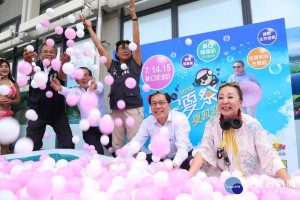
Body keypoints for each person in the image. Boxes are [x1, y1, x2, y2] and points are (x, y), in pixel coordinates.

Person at [189, 82, 291, 185]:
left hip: (250, 185)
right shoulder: (211, 124)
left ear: (240, 102)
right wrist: (188, 178)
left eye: (230, 97)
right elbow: (203, 151)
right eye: (220, 98)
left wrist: (288, 181)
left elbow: (268, 154)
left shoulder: (252, 124)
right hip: (222, 185)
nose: (224, 101)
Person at [80, 0, 144, 152]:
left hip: (133, 109)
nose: (125, 50)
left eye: (128, 48)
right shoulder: (112, 65)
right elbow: (99, 47)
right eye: (121, 48)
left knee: (135, 144)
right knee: (117, 145)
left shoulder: (135, 63)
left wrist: (134, 17)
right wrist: (90, 28)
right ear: (116, 52)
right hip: (116, 110)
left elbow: (137, 41)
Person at [117, 90, 193, 170]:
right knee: (141, 162)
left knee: (191, 163)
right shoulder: (148, 122)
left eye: (161, 103)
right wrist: (116, 162)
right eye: (154, 103)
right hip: (162, 158)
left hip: (183, 157)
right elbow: (135, 143)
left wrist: (173, 165)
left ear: (169, 105)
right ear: (150, 107)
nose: (158, 106)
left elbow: (182, 149)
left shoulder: (180, 118)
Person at [50, 67, 114, 156]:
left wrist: (93, 87)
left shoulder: (98, 85)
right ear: (77, 80)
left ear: (92, 78)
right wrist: (60, 87)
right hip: (88, 129)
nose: (84, 78)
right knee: (97, 154)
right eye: (80, 76)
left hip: (104, 126)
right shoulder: (77, 90)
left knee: (115, 150)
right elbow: (68, 91)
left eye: (86, 75)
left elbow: (99, 88)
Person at [23, 42, 74, 151]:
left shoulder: (59, 67)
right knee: (32, 146)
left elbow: (61, 76)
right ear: (40, 54)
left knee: (69, 143)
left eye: (52, 52)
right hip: (37, 113)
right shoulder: (35, 66)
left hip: (58, 113)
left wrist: (64, 64)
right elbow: (29, 71)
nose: (49, 54)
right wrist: (27, 60)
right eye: (45, 51)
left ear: (56, 55)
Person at [0, 59, 20, 155]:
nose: (4, 68)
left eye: (6, 66)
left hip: (7, 116)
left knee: (5, 142)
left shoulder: (13, 82)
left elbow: (18, 100)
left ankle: (3, 164)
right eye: (1, 66)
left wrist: (10, 101)